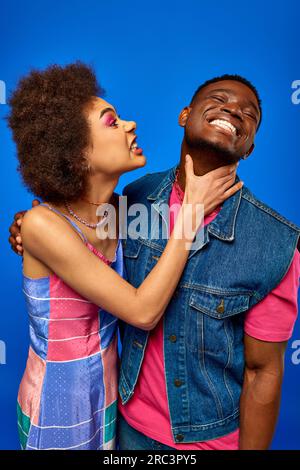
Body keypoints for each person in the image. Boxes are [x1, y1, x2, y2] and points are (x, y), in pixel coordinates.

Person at [6, 63, 241, 451]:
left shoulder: (120, 210)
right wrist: (192, 212)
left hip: (109, 392)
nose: (131, 124)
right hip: (57, 402)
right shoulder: (42, 225)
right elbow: (142, 311)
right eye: (112, 122)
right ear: (76, 153)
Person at [115, 75, 300, 450]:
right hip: (127, 426)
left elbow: (262, 371)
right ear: (185, 115)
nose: (234, 110)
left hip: (208, 441)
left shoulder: (275, 243)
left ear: (248, 148)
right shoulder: (136, 196)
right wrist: (36, 225)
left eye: (249, 114)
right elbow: (82, 233)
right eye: (220, 99)